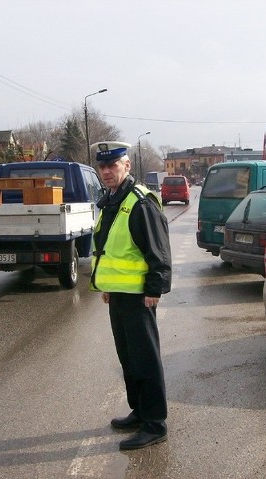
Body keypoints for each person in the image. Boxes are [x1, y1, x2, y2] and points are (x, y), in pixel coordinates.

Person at [89, 141, 172, 450]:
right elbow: (109, 248)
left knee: (145, 359)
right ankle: (138, 411)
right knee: (128, 357)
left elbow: (158, 250)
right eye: (103, 167)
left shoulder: (140, 201)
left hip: (139, 296)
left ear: (127, 166)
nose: (107, 172)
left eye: (113, 166)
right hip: (120, 294)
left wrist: (154, 290)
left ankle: (155, 423)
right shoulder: (111, 200)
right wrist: (107, 286)